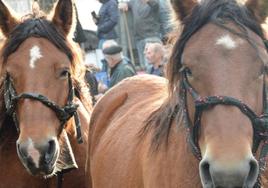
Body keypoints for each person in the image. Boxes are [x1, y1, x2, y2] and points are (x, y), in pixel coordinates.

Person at [118, 0, 161, 71]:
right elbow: (127, 4)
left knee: (151, 66)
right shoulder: (134, 2)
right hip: (139, 38)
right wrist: (124, 4)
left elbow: (155, 5)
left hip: (151, 38)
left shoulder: (154, 2)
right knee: (144, 66)